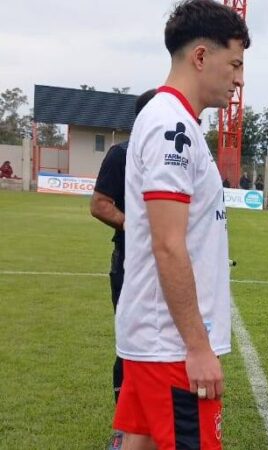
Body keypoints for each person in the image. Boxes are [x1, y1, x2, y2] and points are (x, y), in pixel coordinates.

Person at [112, 1, 249, 449]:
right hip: (171, 347)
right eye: (235, 64)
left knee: (139, 441)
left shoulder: (175, 122)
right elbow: (168, 244)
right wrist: (197, 346)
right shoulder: (170, 125)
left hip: (158, 339)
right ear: (201, 57)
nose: (239, 79)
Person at [90, 88, 157, 450]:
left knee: (167, 348)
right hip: (131, 263)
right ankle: (124, 426)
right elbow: (100, 204)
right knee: (132, 345)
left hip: (172, 265)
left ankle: (160, 422)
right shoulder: (121, 154)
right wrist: (135, 225)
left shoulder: (177, 154)